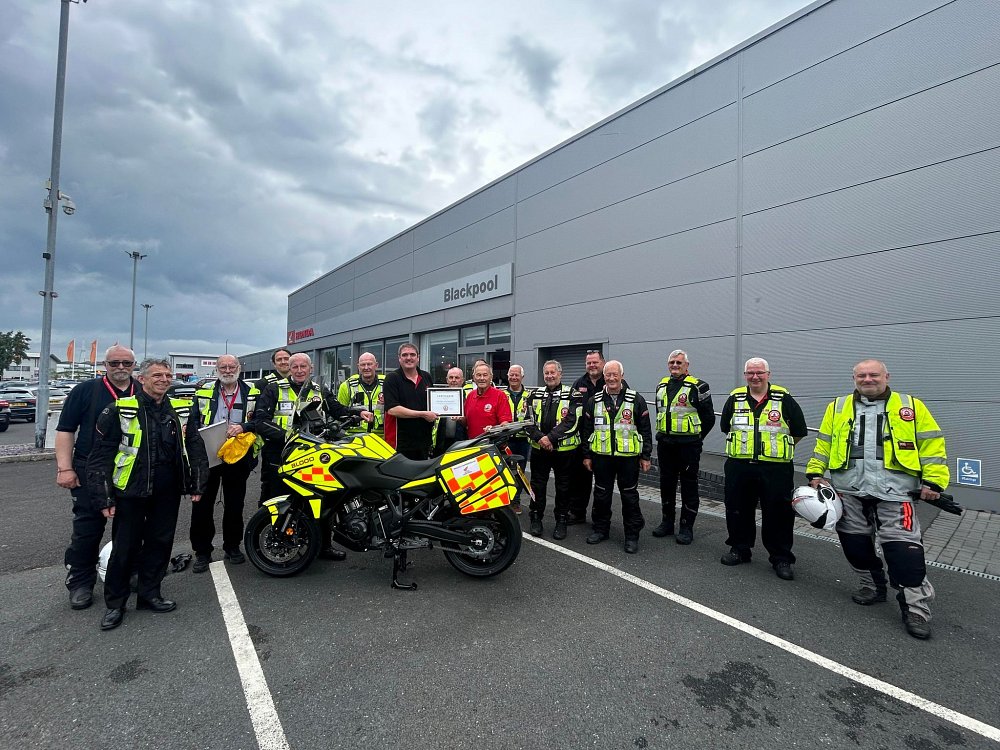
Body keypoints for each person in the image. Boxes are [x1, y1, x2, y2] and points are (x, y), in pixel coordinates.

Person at [806, 359, 948, 640]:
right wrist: (814, 471)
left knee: (903, 550)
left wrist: (934, 482)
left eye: (873, 375)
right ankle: (872, 585)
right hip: (850, 489)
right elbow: (824, 442)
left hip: (896, 491)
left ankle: (916, 608)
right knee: (854, 542)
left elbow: (931, 443)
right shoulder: (838, 406)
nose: (867, 379)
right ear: (854, 378)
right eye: (861, 375)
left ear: (886, 376)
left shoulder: (910, 406)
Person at [87, 357, 210, 631]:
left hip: (166, 491)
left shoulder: (181, 408)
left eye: (167, 375)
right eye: (157, 375)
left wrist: (197, 483)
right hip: (131, 490)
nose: (164, 380)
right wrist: (104, 496)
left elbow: (195, 446)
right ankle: (115, 604)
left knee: (160, 544)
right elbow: (100, 456)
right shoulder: (120, 409)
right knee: (124, 548)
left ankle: (150, 594)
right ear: (141, 379)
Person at [250, 352, 371, 561]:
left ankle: (323, 546)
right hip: (280, 452)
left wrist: (356, 412)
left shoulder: (318, 390)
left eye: (303, 367)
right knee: (277, 497)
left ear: (310, 369)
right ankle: (273, 545)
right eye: (294, 367)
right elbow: (260, 421)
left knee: (321, 498)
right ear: (289, 368)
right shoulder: (274, 389)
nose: (298, 370)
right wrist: (286, 436)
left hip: (312, 453)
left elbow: (336, 409)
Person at [55, 344, 138, 610]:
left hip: (130, 471)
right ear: (105, 365)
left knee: (129, 528)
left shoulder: (142, 391)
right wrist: (64, 468)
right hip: (90, 470)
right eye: (115, 363)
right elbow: (66, 430)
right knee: (88, 529)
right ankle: (80, 581)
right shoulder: (85, 391)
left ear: (134, 365)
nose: (121, 368)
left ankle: (128, 571)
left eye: (126, 363)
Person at [719, 357, 808, 580]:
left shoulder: (784, 398)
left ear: (768, 374)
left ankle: (781, 557)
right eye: (750, 373)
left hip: (776, 468)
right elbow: (725, 427)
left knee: (778, 513)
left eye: (759, 373)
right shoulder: (735, 397)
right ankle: (740, 549)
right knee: (737, 509)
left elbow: (799, 430)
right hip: (739, 466)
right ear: (745, 375)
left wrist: (774, 450)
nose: (755, 377)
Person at [189, 355, 261, 574]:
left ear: (239, 368)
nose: (228, 370)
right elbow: (192, 422)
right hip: (208, 456)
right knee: (202, 506)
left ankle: (232, 547)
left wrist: (245, 426)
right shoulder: (203, 391)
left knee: (235, 505)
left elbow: (261, 420)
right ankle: (202, 552)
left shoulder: (253, 392)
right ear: (217, 370)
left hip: (237, 456)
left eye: (232, 366)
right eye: (223, 367)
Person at [577, 361, 652, 554]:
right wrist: (586, 455)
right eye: (607, 375)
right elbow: (586, 429)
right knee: (602, 495)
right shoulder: (595, 400)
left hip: (628, 458)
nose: (611, 378)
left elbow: (645, 429)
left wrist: (646, 456)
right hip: (602, 457)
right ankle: (601, 530)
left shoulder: (636, 399)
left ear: (622, 375)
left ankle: (632, 535)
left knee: (629, 496)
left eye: (614, 374)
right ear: (604, 376)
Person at [652, 349, 716, 545]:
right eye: (672, 362)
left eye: (679, 362)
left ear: (687, 365)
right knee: (666, 484)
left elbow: (709, 418)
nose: (675, 365)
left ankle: (686, 527)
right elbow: (660, 412)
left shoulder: (699, 387)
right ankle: (667, 522)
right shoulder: (661, 385)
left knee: (689, 486)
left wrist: (696, 438)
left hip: (688, 446)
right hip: (665, 444)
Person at [523, 360, 582, 539]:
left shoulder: (573, 394)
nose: (549, 376)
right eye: (546, 373)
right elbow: (527, 421)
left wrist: (550, 438)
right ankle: (535, 518)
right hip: (539, 450)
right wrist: (540, 437)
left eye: (552, 372)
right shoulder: (534, 395)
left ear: (560, 374)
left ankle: (561, 521)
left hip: (564, 451)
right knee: (537, 486)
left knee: (563, 487)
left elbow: (573, 421)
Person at [568, 350, 605, 524]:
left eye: (595, 362)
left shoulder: (612, 380)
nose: (592, 365)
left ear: (602, 363)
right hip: (583, 440)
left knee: (603, 484)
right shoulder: (579, 383)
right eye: (589, 363)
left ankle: (600, 519)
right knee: (580, 480)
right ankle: (577, 513)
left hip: (605, 442)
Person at [383, 343, 437, 460]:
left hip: (424, 441)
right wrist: (422, 414)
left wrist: (450, 413)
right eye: (405, 355)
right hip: (400, 443)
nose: (409, 358)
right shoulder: (392, 378)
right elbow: (392, 410)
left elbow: (433, 404)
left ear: (418, 357)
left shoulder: (426, 377)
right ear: (399, 358)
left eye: (412, 354)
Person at [255, 347, 292, 503]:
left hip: (297, 443)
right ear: (274, 363)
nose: (283, 362)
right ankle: (265, 522)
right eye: (279, 359)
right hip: (272, 443)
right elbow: (258, 416)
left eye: (286, 358)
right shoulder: (263, 384)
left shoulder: (300, 381)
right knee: (271, 484)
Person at [504, 364, 531, 514]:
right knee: (504, 471)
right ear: (508, 376)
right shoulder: (501, 394)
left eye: (517, 375)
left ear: (522, 377)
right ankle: (505, 500)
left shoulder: (530, 395)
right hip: (505, 440)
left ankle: (515, 501)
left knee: (519, 472)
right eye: (511, 375)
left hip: (522, 440)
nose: (514, 377)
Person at [337, 351, 385, 436]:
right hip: (354, 439)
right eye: (363, 365)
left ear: (376, 365)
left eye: (369, 364)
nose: (366, 367)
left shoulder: (387, 384)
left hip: (382, 437)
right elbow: (339, 413)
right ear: (358, 367)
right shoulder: (347, 386)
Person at [465, 362, 512, 438]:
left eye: (485, 375)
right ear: (474, 378)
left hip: (492, 444)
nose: (482, 378)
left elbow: (505, 423)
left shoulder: (500, 395)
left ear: (491, 377)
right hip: (472, 444)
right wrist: (458, 418)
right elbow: (466, 422)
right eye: (478, 375)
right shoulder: (470, 396)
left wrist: (494, 429)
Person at [433, 367, 468, 456]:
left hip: (461, 443)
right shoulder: (437, 397)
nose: (453, 380)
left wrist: (462, 419)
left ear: (462, 380)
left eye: (457, 378)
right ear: (447, 380)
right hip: (441, 443)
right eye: (451, 377)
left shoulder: (468, 398)